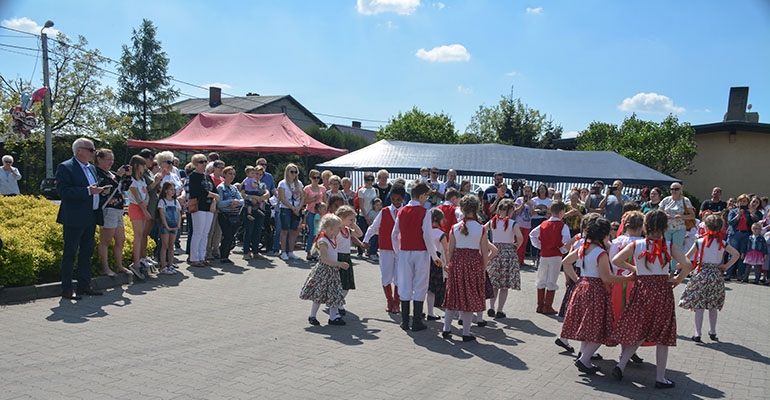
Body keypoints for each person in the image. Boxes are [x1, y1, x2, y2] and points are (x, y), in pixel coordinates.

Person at [609, 210, 693, 389]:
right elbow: (687, 265)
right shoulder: (669, 245)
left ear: (645, 227)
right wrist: (677, 280)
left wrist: (634, 268)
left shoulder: (637, 244)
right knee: (662, 335)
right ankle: (660, 377)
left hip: (642, 289)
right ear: (665, 227)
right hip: (662, 291)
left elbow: (616, 260)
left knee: (640, 329)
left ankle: (621, 365)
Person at [560, 216, 635, 375]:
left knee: (589, 325)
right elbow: (606, 277)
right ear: (604, 234)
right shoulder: (601, 253)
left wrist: (578, 279)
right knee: (599, 327)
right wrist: (626, 278)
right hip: (596, 291)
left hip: (582, 288)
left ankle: (584, 356)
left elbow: (566, 262)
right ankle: (585, 359)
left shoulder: (583, 248)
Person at [441, 195, 498, 342]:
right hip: (473, 264)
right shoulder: (481, 228)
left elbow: (450, 250)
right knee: (469, 298)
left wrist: (449, 265)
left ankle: (446, 328)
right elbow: (485, 251)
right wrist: (483, 268)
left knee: (452, 296)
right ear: (476, 209)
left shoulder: (455, 227)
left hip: (457, 263)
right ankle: (466, 332)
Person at [55, 138, 107, 300]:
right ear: (79, 151)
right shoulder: (66, 167)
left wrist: (100, 192)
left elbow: (91, 190)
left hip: (90, 216)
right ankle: (67, 288)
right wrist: (87, 192)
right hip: (74, 217)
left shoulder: (91, 168)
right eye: (91, 150)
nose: (94, 153)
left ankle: (84, 285)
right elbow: (64, 192)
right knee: (70, 253)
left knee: (87, 252)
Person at [679, 214, 739, 342]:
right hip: (716, 275)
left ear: (706, 227)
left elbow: (687, 257)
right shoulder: (723, 243)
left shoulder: (699, 242)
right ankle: (712, 331)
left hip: (701, 274)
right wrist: (726, 266)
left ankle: (697, 333)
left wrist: (680, 265)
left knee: (699, 306)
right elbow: (736, 254)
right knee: (713, 305)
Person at [391, 181, 442, 332]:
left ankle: (405, 321)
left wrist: (397, 251)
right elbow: (427, 235)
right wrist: (434, 255)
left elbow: (394, 234)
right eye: (426, 195)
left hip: (405, 252)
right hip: (420, 252)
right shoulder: (425, 212)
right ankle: (417, 321)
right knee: (420, 284)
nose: (426, 198)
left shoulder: (401, 211)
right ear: (421, 195)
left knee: (405, 284)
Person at [299, 213, 350, 326]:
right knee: (319, 294)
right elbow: (324, 259)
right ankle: (312, 315)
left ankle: (333, 317)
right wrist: (339, 264)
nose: (339, 230)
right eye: (338, 228)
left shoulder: (332, 238)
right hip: (324, 271)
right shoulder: (323, 241)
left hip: (333, 272)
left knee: (334, 294)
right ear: (331, 228)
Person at [363, 183, 406, 314]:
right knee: (386, 275)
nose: (396, 202)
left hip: (401, 249)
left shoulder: (406, 211)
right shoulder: (384, 211)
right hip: (386, 248)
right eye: (393, 199)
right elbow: (373, 227)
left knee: (399, 276)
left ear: (403, 198)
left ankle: (397, 302)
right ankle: (389, 300)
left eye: (398, 199)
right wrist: (366, 239)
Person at [94, 149, 133, 277]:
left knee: (120, 239)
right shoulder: (96, 173)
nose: (111, 162)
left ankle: (119, 265)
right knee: (106, 240)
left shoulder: (111, 174)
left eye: (112, 160)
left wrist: (127, 176)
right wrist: (119, 177)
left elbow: (124, 188)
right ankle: (105, 267)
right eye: (108, 159)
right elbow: (107, 189)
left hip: (118, 209)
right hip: (108, 209)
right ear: (99, 159)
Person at [529, 201, 571, 315]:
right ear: (562, 212)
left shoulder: (543, 224)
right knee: (552, 280)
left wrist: (540, 246)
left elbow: (532, 235)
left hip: (544, 255)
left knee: (541, 279)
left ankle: (540, 305)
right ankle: (548, 306)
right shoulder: (563, 226)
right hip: (556, 256)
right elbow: (566, 241)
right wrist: (563, 250)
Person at [485, 198, 523, 319]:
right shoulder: (513, 223)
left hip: (495, 251)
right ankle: (500, 310)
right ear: (511, 210)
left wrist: (488, 243)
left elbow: (482, 230)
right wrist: (516, 246)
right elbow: (520, 237)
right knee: (504, 285)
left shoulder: (493, 222)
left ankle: (491, 307)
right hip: (508, 253)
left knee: (494, 283)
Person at [188, 153, 219, 267]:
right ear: (195, 164)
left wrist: (213, 199)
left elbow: (216, 191)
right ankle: (194, 258)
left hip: (208, 207)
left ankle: (202, 256)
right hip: (198, 207)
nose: (204, 164)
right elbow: (198, 192)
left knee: (205, 233)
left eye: (205, 161)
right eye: (201, 162)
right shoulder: (193, 176)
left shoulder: (207, 177)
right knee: (198, 232)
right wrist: (212, 195)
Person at [127, 155, 153, 279]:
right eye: (142, 165)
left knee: (142, 234)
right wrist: (144, 209)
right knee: (138, 235)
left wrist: (146, 203)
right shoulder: (131, 180)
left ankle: (141, 259)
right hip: (135, 208)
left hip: (143, 207)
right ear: (137, 166)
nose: (144, 167)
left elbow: (146, 194)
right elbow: (137, 198)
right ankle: (136, 263)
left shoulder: (142, 179)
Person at [658, 182, 694, 272]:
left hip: (679, 228)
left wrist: (681, 216)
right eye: (672, 189)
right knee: (665, 248)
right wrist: (665, 215)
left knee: (676, 250)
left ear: (681, 190)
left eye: (676, 189)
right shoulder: (666, 200)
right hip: (667, 228)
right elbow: (659, 212)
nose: (674, 191)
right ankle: (664, 269)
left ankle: (673, 270)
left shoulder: (685, 200)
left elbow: (692, 215)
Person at [334, 206, 363, 316]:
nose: (352, 222)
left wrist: (353, 224)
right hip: (337, 258)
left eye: (353, 220)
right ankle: (336, 304)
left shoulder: (348, 230)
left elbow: (360, 234)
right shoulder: (336, 230)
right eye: (350, 219)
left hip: (346, 258)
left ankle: (339, 300)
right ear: (341, 218)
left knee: (346, 284)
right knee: (337, 283)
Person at [725, 194, 757, 280]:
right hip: (735, 234)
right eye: (741, 201)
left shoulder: (748, 212)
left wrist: (751, 214)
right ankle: (729, 273)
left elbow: (755, 221)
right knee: (732, 254)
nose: (743, 203)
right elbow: (730, 222)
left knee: (742, 255)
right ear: (738, 202)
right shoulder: (733, 211)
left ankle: (740, 274)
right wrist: (738, 215)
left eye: (745, 201)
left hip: (745, 234)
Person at [139, 148, 161, 268]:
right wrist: (156, 182)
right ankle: (141, 256)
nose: (152, 161)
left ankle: (145, 255)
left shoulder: (148, 171)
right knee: (143, 233)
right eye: (150, 158)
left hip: (153, 204)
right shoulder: (141, 172)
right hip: (147, 205)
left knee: (146, 234)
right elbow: (144, 189)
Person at [241, 166, 269, 261]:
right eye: (256, 173)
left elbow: (267, 193)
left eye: (260, 174)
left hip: (259, 210)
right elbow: (243, 194)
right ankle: (246, 252)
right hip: (249, 209)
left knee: (258, 231)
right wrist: (252, 197)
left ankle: (256, 251)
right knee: (249, 231)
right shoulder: (247, 181)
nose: (258, 176)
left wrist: (261, 198)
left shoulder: (262, 184)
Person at [277, 163, 305, 260]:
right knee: (285, 230)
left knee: (294, 231)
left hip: (297, 209)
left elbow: (302, 197)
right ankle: (283, 251)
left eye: (295, 172)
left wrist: (299, 208)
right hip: (286, 208)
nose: (294, 174)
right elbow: (282, 198)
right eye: (292, 172)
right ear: (287, 172)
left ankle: (291, 252)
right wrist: (292, 208)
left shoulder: (299, 184)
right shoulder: (282, 183)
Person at [216, 166, 243, 264]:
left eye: (233, 174)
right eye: (230, 174)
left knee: (231, 236)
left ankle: (226, 254)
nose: (232, 176)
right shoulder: (220, 188)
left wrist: (237, 203)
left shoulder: (234, 188)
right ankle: (223, 255)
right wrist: (231, 202)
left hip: (234, 215)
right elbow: (220, 203)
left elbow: (241, 200)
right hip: (224, 214)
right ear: (224, 175)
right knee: (226, 235)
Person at [426, 208, 449, 321]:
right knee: (433, 289)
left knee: (424, 287)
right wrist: (448, 263)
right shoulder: (441, 234)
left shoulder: (426, 231)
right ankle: (430, 313)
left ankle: (420, 311)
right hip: (436, 262)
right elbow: (446, 250)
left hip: (425, 260)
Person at [157, 181, 181, 274]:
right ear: (166, 190)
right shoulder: (162, 201)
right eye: (171, 189)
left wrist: (178, 225)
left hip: (174, 225)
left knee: (171, 245)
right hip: (165, 226)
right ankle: (163, 265)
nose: (173, 191)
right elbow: (162, 214)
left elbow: (178, 214)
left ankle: (170, 265)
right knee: (165, 245)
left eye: (174, 190)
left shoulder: (176, 202)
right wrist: (166, 225)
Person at [206, 160, 226, 260]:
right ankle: (208, 251)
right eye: (219, 167)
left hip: (222, 208)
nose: (221, 169)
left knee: (219, 231)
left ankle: (215, 249)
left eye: (223, 168)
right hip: (213, 207)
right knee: (211, 230)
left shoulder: (223, 179)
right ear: (214, 168)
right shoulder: (210, 178)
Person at [356, 172, 378, 258]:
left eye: (371, 179)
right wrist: (366, 217)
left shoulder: (375, 190)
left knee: (372, 234)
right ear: (365, 180)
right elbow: (361, 205)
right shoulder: (361, 191)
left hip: (373, 214)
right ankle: (360, 251)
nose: (370, 181)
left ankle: (370, 251)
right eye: (368, 179)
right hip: (363, 214)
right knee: (362, 233)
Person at [513, 185, 534, 265]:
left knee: (524, 243)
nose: (527, 193)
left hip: (527, 225)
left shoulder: (533, 201)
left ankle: (521, 260)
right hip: (519, 224)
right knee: (517, 241)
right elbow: (516, 212)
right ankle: (515, 259)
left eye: (529, 191)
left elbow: (532, 214)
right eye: (526, 191)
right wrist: (522, 205)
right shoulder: (519, 200)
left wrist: (530, 205)